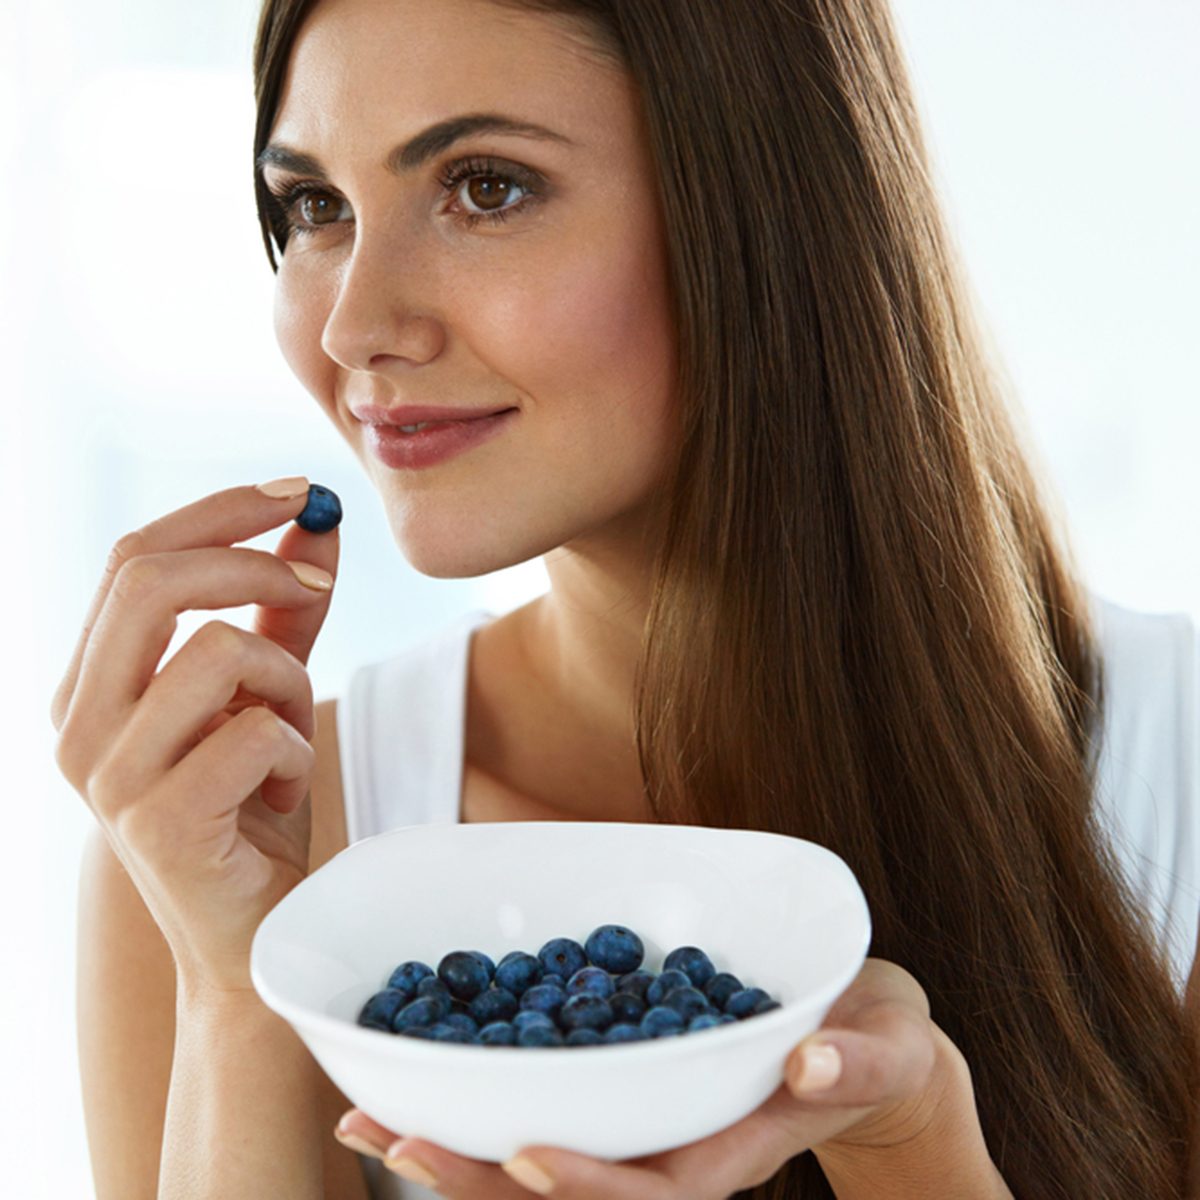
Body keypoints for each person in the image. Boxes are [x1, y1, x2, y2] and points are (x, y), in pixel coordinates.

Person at [50, 0, 1198, 1196]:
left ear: (768, 214)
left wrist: (913, 1154)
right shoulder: (231, 849)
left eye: (485, 188)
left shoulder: (1173, 769)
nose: (355, 327)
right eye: (315, 206)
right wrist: (238, 991)